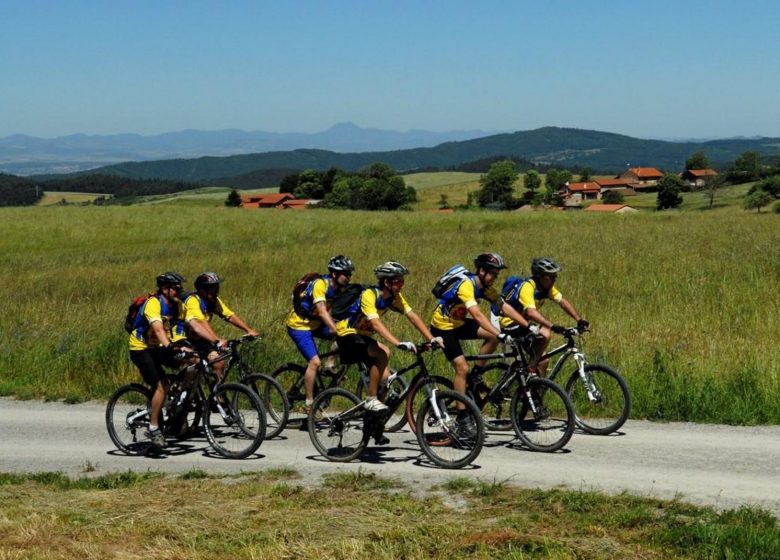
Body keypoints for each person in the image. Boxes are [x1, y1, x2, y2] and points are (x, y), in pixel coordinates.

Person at [335, 261, 441, 431]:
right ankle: (371, 399)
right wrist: (398, 342)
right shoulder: (369, 295)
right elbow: (375, 324)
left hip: (362, 336)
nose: (401, 285)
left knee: (385, 378)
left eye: (402, 281)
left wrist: (432, 338)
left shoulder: (394, 297)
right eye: (398, 281)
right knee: (382, 354)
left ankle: (374, 424)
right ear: (387, 282)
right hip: (346, 334)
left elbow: (412, 316)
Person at [429, 253, 534, 415]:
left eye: (497, 274)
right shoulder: (466, 285)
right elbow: (477, 315)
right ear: (481, 271)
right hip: (443, 327)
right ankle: (462, 417)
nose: (495, 278)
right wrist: (500, 334)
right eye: (492, 273)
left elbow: (504, 306)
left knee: (492, 336)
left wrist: (527, 325)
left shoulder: (485, 289)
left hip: (459, 324)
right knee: (462, 368)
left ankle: (476, 375)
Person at [490, 257, 588, 376]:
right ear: (539, 276)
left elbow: (562, 301)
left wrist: (579, 319)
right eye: (550, 277)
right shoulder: (527, 287)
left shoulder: (546, 288)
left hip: (523, 324)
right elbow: (531, 312)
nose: (554, 280)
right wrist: (553, 326)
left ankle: (536, 390)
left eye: (555, 276)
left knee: (543, 362)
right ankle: (529, 370)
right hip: (508, 323)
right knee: (545, 332)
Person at [127, 271, 189, 450]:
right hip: (141, 348)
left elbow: (180, 327)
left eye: (180, 287)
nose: (179, 291)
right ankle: (154, 427)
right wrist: (170, 347)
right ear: (164, 288)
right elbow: (159, 329)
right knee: (162, 384)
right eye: (175, 288)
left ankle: (176, 404)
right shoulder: (153, 304)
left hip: (158, 347)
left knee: (193, 362)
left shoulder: (177, 306)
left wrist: (185, 346)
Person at [286, 255, 355, 413]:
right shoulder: (320, 284)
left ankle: (329, 365)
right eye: (346, 274)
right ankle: (309, 403)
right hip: (299, 325)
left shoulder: (340, 288)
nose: (349, 278)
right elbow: (323, 311)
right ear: (334, 274)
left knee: (346, 335)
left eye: (350, 274)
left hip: (316, 324)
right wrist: (334, 328)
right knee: (314, 362)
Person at [183, 271, 259, 381]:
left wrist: (249, 330)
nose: (216, 291)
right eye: (213, 288)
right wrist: (217, 340)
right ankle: (184, 393)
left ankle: (217, 395)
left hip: (202, 339)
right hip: (186, 339)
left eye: (217, 288)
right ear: (202, 290)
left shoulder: (213, 300)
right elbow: (202, 323)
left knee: (218, 363)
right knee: (195, 364)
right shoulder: (193, 301)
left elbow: (229, 315)